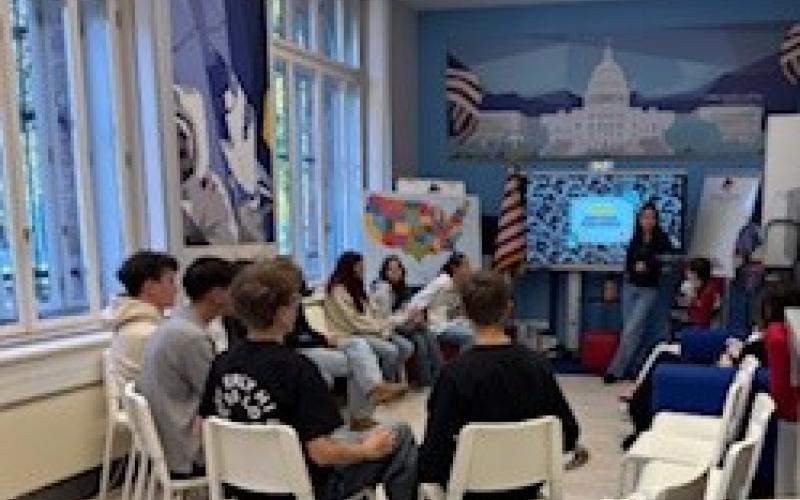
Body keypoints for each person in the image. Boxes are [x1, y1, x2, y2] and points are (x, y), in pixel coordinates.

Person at [200, 259, 418, 500]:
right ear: (281, 313)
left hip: (241, 484)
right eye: (294, 302)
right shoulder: (299, 370)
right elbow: (321, 453)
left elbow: (205, 425)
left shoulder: (221, 363)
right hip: (302, 487)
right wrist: (366, 451)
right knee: (399, 433)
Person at [419, 271, 584, 498]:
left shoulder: (453, 374)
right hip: (527, 487)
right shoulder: (538, 365)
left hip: (470, 491)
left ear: (465, 312)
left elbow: (434, 454)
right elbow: (569, 433)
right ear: (509, 308)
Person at [274, 256, 407, 430]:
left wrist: (323, 339)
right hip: (299, 350)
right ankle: (361, 414)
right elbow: (291, 339)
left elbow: (306, 330)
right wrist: (321, 340)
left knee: (357, 345)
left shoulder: (296, 301)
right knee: (357, 362)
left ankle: (376, 387)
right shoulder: (279, 305)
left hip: (315, 343)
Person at [137, 257, 236, 478]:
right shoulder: (191, 338)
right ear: (216, 294)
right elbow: (218, 396)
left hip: (168, 435)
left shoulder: (174, 324)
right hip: (186, 447)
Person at [605, 203, 676, 384]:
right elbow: (626, 261)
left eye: (651, 217)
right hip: (630, 286)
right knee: (631, 330)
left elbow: (668, 261)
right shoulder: (634, 238)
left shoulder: (662, 240)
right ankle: (635, 367)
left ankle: (615, 370)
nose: (648, 221)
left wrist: (649, 265)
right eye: (644, 217)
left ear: (656, 220)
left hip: (648, 289)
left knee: (632, 329)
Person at [324, 251, 414, 381]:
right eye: (360, 267)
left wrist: (383, 325)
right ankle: (384, 384)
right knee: (391, 350)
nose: (363, 271)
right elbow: (353, 320)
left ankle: (392, 379)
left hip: (368, 329)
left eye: (363, 267)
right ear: (350, 268)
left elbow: (371, 311)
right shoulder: (338, 291)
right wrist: (380, 327)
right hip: (350, 333)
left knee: (407, 347)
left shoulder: (355, 287)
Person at [371, 256, 442, 387]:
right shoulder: (382, 289)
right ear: (384, 272)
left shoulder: (404, 288)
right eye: (390, 269)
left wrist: (417, 316)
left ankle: (439, 377)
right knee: (420, 340)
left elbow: (409, 307)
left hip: (405, 324)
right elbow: (386, 318)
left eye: (398, 269)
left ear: (402, 270)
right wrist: (409, 317)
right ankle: (427, 381)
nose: (395, 272)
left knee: (428, 334)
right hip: (390, 328)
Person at [108, 250, 179, 380]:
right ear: (150, 287)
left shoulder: (127, 323)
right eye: (171, 281)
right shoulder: (149, 333)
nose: (176, 289)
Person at [408, 252, 474, 352]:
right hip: (440, 326)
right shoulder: (441, 282)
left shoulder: (461, 285)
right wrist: (420, 314)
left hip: (456, 322)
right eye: (466, 265)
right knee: (469, 336)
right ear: (455, 268)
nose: (469, 269)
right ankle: (465, 362)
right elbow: (416, 301)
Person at [678, 257, 721, 329]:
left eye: (691, 277)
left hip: (700, 325)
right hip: (694, 318)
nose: (688, 276)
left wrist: (692, 298)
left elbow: (701, 319)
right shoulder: (700, 285)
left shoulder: (708, 291)